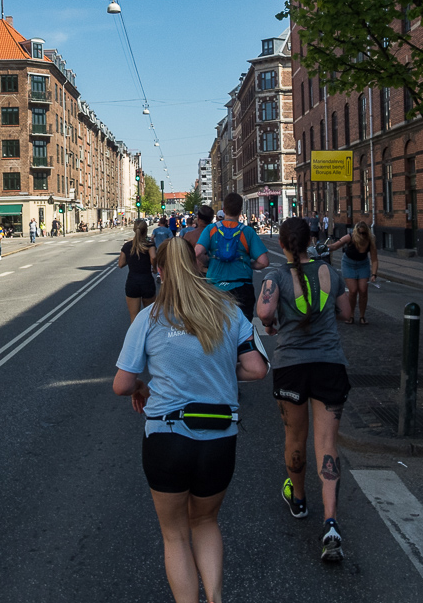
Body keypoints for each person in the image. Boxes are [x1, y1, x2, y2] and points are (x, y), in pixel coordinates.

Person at [113, 238, 268, 603]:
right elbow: (258, 369)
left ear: (160, 271)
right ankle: (215, 599)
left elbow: (121, 385)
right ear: (199, 264)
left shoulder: (149, 319)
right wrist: (221, 374)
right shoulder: (229, 311)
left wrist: (141, 385)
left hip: (166, 439)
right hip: (219, 439)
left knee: (175, 534)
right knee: (205, 522)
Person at [256, 217, 352, 562]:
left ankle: (298, 500)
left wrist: (271, 324)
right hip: (329, 365)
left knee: (294, 439)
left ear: (282, 244)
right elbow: (347, 312)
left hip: (291, 367)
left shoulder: (275, 276)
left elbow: (264, 311)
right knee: (327, 444)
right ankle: (330, 522)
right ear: (311, 240)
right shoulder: (330, 272)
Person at [196, 193, 270, 322]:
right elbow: (263, 262)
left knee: (217, 329)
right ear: (240, 211)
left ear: (224, 210)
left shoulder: (211, 229)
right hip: (242, 287)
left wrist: (208, 262)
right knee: (244, 330)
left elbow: (198, 252)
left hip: (215, 287)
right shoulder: (247, 232)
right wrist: (248, 263)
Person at [327, 222, 379, 324]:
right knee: (353, 290)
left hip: (363, 265)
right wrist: (323, 248)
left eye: (364, 233)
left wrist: (374, 274)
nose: (362, 235)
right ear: (356, 232)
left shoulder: (370, 240)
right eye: (360, 233)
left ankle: (362, 316)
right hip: (348, 264)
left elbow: (374, 259)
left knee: (363, 289)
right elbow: (335, 246)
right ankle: (350, 315)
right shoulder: (350, 237)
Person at [119, 219, 157, 322]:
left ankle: (135, 337)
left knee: (134, 317)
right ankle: (149, 337)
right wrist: (154, 267)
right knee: (150, 316)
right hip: (146, 281)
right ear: (146, 230)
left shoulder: (127, 246)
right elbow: (153, 257)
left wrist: (131, 259)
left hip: (132, 282)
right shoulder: (149, 245)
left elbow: (121, 264)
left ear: (134, 230)